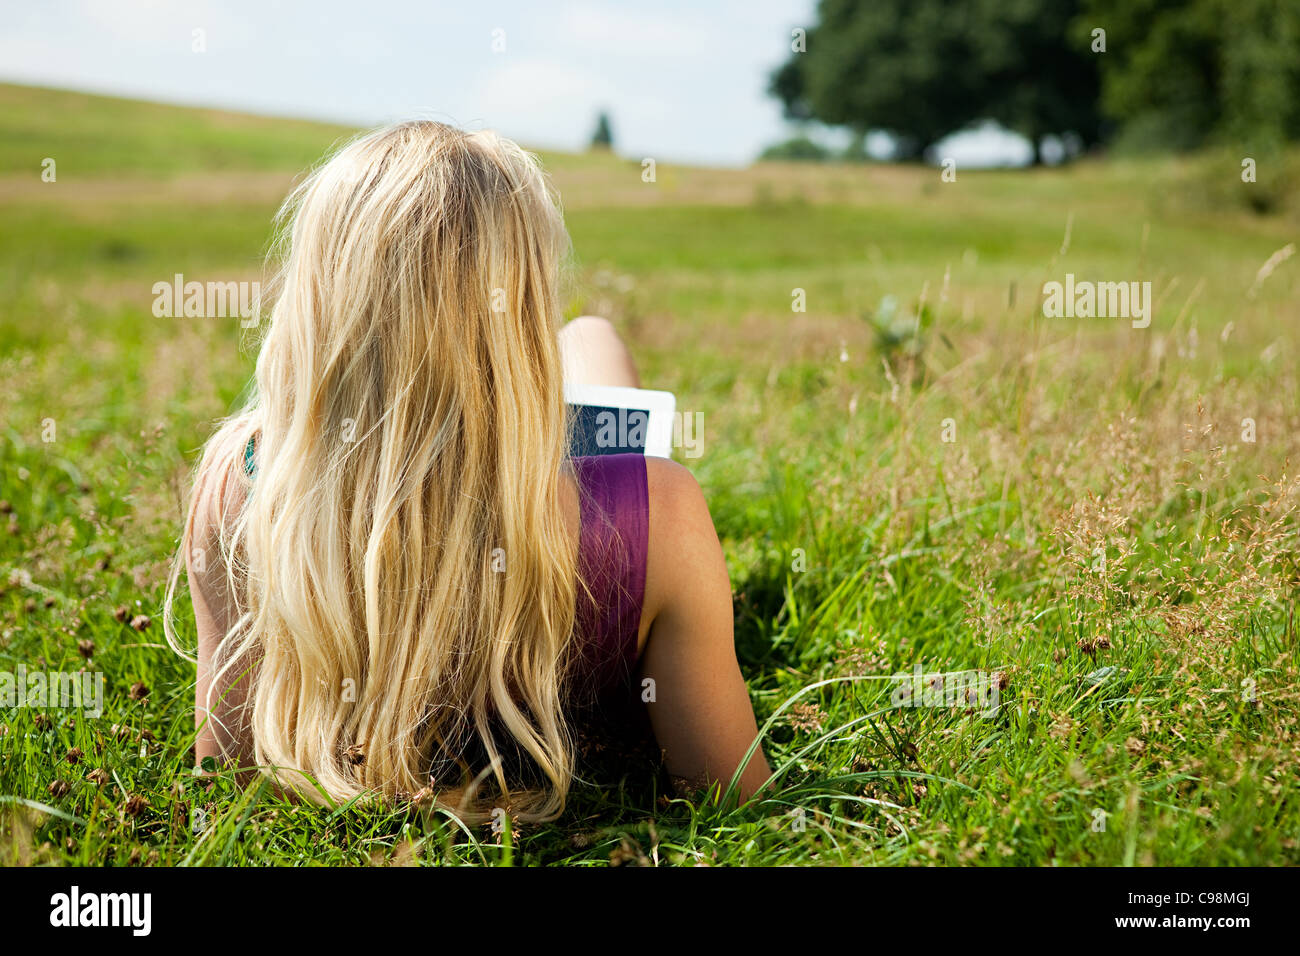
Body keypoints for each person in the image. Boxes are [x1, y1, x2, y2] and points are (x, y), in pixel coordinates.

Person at [163, 120, 770, 822]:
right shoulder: (659, 509)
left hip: (351, 470)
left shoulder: (235, 482)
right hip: (569, 501)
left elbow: (226, 767)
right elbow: (734, 795)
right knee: (595, 338)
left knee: (592, 340)